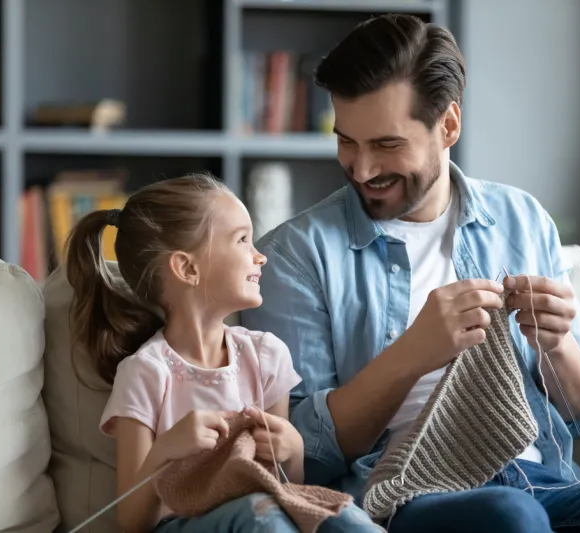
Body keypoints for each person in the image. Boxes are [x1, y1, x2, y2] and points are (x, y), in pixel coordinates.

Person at [240, 13, 580, 533]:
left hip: (545, 484)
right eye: (347, 141)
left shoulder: (520, 218)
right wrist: (413, 353)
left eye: (387, 144)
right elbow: (303, 454)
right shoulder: (296, 254)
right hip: (410, 494)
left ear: (448, 125)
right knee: (510, 515)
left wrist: (558, 346)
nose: (362, 169)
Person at [64, 173, 384, 533]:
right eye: (242, 240)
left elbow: (285, 490)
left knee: (342, 516)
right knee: (260, 515)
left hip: (264, 513)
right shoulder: (145, 373)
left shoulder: (265, 356)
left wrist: (292, 449)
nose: (260, 256)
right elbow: (133, 522)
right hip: (184, 526)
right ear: (188, 268)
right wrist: (165, 450)